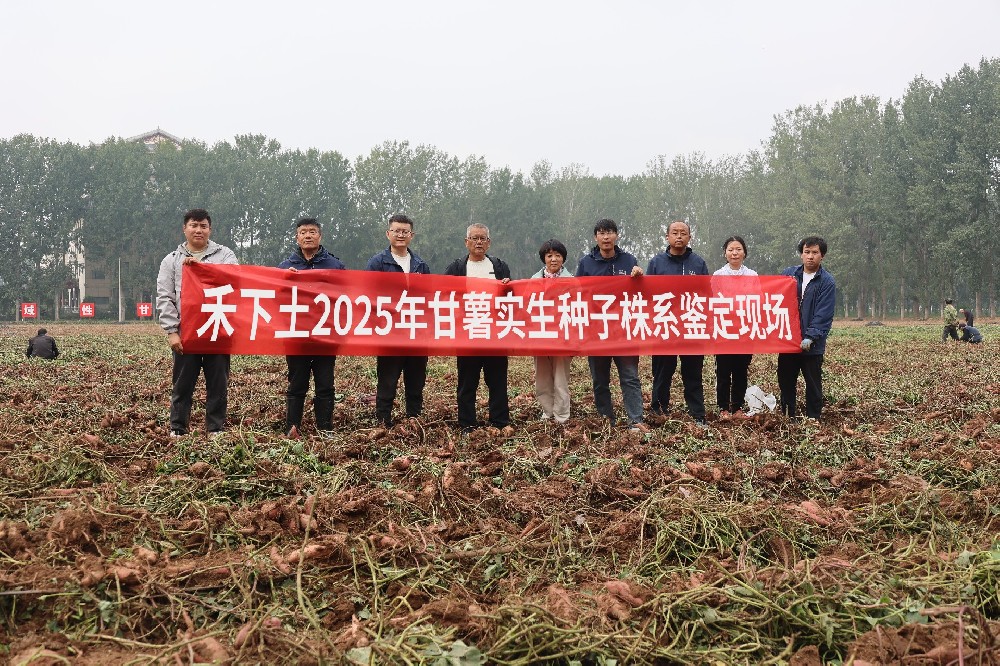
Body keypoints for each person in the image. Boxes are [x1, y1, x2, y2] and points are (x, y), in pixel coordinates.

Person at [156, 208, 239, 436]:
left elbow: (234, 278)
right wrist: (172, 331)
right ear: (185, 229)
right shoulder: (172, 260)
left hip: (217, 329)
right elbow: (165, 297)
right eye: (194, 225)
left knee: (218, 384)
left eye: (203, 226)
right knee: (182, 383)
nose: (198, 230)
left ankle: (215, 428)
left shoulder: (225, 255)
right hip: (187, 333)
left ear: (210, 229)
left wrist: (202, 269)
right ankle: (178, 428)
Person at [575, 219, 648, 432]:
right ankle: (606, 420)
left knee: (630, 377)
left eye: (609, 232)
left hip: (624, 330)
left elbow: (639, 292)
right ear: (595, 237)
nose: (606, 237)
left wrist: (639, 277)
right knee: (600, 380)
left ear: (616, 235)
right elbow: (577, 293)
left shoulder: (629, 260)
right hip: (597, 331)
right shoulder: (586, 263)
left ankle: (635, 420)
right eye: (601, 233)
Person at [278, 218, 346, 437]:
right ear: (297, 237)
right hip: (296, 334)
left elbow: (345, 297)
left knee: (325, 383)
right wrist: (284, 280)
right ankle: (292, 427)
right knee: (296, 383)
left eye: (312, 232)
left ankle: (325, 428)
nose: (308, 236)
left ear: (320, 236)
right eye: (303, 232)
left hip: (325, 335)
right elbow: (275, 297)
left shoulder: (335, 266)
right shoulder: (285, 267)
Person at [444, 223, 513, 435]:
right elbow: (446, 296)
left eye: (483, 238)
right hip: (468, 333)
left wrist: (508, 286)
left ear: (489, 243)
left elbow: (510, 298)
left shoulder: (499, 266)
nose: (479, 242)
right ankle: (467, 424)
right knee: (467, 381)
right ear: (466, 242)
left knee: (497, 380)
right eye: (474, 238)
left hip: (495, 334)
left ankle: (500, 421)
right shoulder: (456, 268)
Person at [365, 213, 431, 428]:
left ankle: (414, 419)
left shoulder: (420, 265)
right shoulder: (377, 263)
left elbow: (429, 296)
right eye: (396, 231)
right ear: (388, 234)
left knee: (416, 379)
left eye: (405, 231)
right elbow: (368, 294)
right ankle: (383, 422)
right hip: (390, 332)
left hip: (416, 331)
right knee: (387, 379)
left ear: (412, 235)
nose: (401, 235)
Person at [646, 220, 709, 424]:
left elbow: (706, 293)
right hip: (665, 325)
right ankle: (658, 411)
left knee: (693, 373)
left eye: (683, 233)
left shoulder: (698, 263)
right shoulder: (656, 263)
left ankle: (697, 414)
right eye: (675, 232)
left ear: (690, 237)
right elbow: (647, 294)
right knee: (662, 372)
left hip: (691, 325)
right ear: (667, 237)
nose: (679, 236)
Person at [777, 236, 836, 421]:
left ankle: (813, 417)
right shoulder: (789, 274)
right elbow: (775, 299)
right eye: (807, 252)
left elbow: (823, 314)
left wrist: (811, 336)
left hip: (812, 345)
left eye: (815, 253)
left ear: (822, 256)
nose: (810, 256)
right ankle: (788, 416)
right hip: (788, 341)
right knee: (786, 381)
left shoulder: (826, 281)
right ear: (801, 254)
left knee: (813, 383)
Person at [712, 236, 758, 418]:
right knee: (723, 371)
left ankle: (737, 407)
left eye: (738, 249)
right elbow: (713, 301)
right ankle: (723, 408)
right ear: (725, 253)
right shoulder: (718, 275)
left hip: (744, 329)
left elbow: (757, 299)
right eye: (731, 250)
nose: (734, 253)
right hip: (724, 329)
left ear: (744, 252)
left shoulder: (752, 275)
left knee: (741, 370)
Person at [531, 239, 573, 423]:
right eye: (549, 256)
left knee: (561, 377)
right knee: (542, 376)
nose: (553, 259)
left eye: (557, 255)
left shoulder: (572, 281)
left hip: (563, 336)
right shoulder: (533, 280)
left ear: (563, 258)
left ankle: (562, 415)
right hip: (540, 335)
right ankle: (547, 411)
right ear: (544, 259)